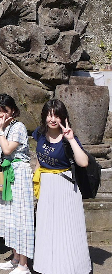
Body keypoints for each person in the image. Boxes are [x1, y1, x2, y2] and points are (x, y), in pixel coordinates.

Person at [31, 99, 91, 274]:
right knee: (46, 227)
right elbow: (39, 158)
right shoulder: (39, 134)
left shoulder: (68, 137)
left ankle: (72, 267)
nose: (52, 119)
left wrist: (71, 139)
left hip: (64, 185)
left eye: (56, 114)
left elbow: (84, 162)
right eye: (49, 114)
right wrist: (35, 181)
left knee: (68, 228)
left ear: (63, 117)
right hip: (47, 185)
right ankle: (46, 266)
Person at [0, 94, 34, 274]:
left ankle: (24, 265)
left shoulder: (18, 126)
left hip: (19, 174)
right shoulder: (1, 126)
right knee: (9, 216)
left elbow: (7, 149)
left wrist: (1, 130)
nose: (0, 113)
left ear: (13, 111)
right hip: (7, 172)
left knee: (21, 218)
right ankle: (15, 258)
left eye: (4, 109)